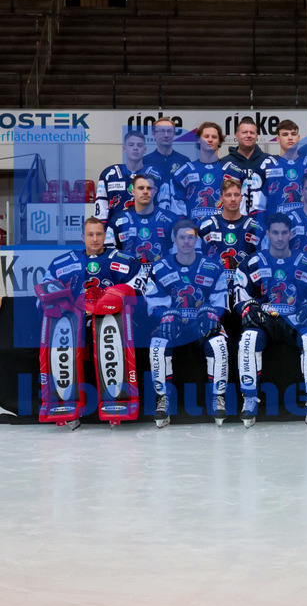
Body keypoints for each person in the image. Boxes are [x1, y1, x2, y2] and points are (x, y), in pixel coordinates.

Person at [35, 217, 146, 429]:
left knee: (111, 336)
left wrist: (123, 295)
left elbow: (142, 293)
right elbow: (42, 295)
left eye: (99, 234)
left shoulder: (125, 261)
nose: (95, 239)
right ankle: (65, 405)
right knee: (60, 335)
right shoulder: (61, 263)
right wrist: (51, 305)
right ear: (82, 237)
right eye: (90, 235)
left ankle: (117, 402)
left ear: (106, 236)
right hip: (73, 324)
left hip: (110, 322)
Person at [234, 213, 307, 428]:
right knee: (247, 339)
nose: (279, 237)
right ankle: (249, 400)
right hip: (264, 320)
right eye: (275, 232)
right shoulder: (252, 262)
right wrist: (247, 307)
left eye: (284, 232)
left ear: (291, 234)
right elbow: (239, 289)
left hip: (295, 319)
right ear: (267, 234)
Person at [145, 218, 230, 427]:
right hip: (172, 325)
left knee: (219, 345)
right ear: (174, 240)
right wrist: (164, 315)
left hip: (202, 323)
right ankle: (163, 400)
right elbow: (152, 301)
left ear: (196, 240)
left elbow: (221, 299)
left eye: (190, 237)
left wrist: (211, 314)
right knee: (156, 346)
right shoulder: (160, 267)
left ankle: (218, 398)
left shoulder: (212, 266)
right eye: (182, 237)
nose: (186, 242)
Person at [247, 120, 307, 222]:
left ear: (298, 138)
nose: (290, 137)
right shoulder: (266, 166)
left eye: (293, 134)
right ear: (278, 139)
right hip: (276, 230)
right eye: (285, 134)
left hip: (306, 228)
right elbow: (256, 204)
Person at [170, 122, 245, 222]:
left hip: (224, 231)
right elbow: (177, 204)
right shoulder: (185, 171)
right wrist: (183, 225)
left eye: (214, 137)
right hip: (193, 232)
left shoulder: (232, 171)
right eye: (206, 136)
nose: (210, 140)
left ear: (219, 141)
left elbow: (244, 202)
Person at [95, 130, 172, 226]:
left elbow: (164, 206)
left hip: (148, 230)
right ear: (124, 148)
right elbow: (101, 207)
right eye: (131, 145)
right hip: (116, 230)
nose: (135, 148)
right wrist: (102, 229)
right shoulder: (109, 175)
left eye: (139, 145)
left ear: (144, 149)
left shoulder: (158, 175)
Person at [105, 173, 178, 266]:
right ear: (133, 191)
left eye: (149, 188)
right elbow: (109, 254)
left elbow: (178, 256)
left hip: (161, 275)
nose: (145, 192)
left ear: (155, 191)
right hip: (128, 276)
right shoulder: (118, 220)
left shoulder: (170, 220)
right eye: (141, 188)